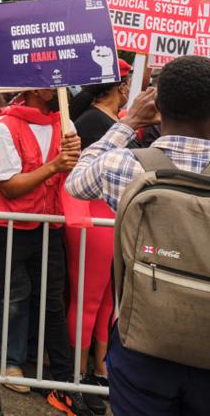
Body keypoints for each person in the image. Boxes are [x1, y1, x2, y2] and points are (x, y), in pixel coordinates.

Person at [66, 56, 210, 416]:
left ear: (157, 106)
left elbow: (77, 181)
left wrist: (128, 122)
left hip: (143, 343)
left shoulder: (126, 165)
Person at [0, 88, 92, 416]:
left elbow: (71, 178)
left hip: (49, 226)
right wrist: (55, 164)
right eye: (53, 82)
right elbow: (9, 186)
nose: (63, 88)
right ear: (34, 87)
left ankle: (63, 385)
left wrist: (74, 158)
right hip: (6, 228)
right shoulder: (6, 127)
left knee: (52, 306)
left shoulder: (65, 125)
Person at [62, 63, 134, 415]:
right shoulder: (93, 122)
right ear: (120, 85)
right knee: (88, 300)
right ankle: (74, 378)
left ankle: (100, 368)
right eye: (130, 81)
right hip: (89, 218)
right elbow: (81, 176)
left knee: (107, 299)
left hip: (109, 219)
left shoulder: (109, 120)